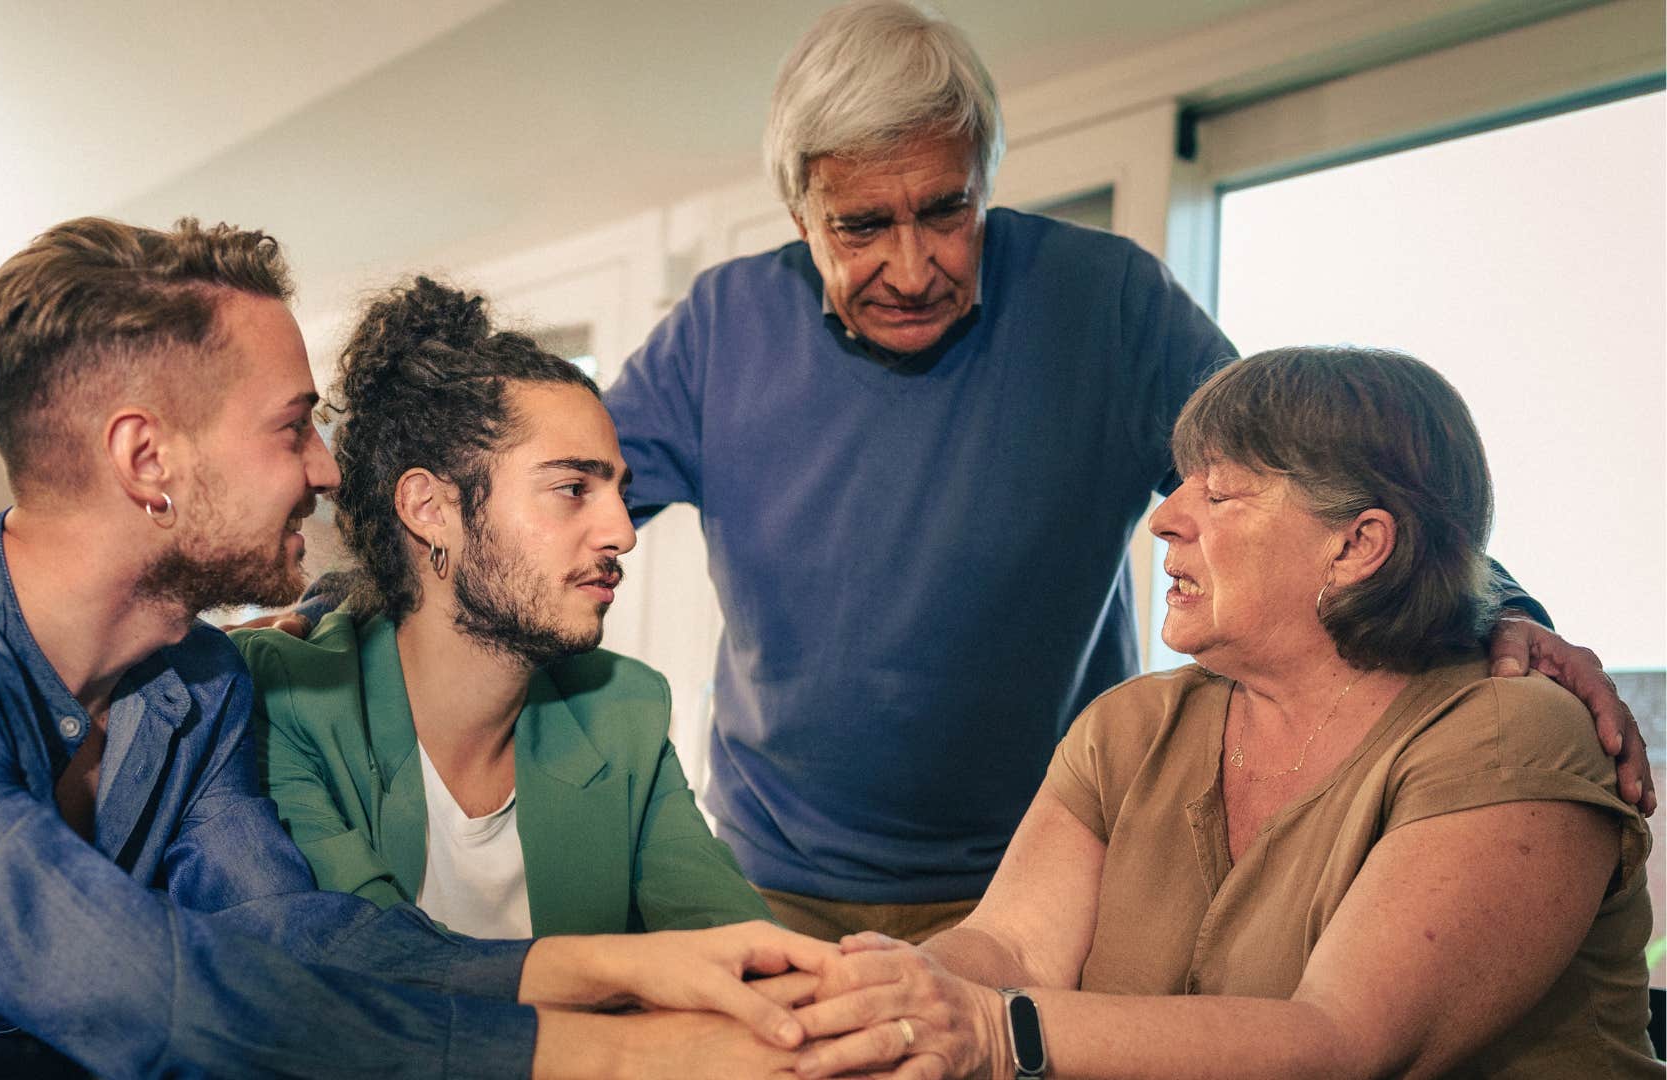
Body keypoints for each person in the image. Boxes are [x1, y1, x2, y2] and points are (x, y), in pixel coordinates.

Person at [600, 0, 1654, 941]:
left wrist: (1498, 606)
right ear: (800, 214)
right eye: (863, 226)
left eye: (947, 211)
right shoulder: (720, 328)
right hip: (772, 874)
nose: (913, 269)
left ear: (985, 184)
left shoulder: (1104, 302)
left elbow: (1321, 487)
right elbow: (561, 500)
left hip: (1052, 866)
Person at [0, 217, 836, 1078]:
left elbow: (297, 936)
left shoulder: (197, 684)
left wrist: (615, 965)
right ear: (147, 460)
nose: (326, 469)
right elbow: (132, 989)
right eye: (291, 425)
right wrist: (616, 1056)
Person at [786, 347, 1655, 1079]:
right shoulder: (1131, 727)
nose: (1165, 518)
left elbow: (1341, 1043)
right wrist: (869, 999)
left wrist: (991, 1030)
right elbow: (1011, 948)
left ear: (1358, 545)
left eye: (1220, 492)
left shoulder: (1511, 737)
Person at [234, 278, 773, 937]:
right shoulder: (284, 701)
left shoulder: (623, 709)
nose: (623, 533)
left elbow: (731, 937)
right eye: (572, 487)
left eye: (619, 493)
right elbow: (366, 967)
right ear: (430, 509)